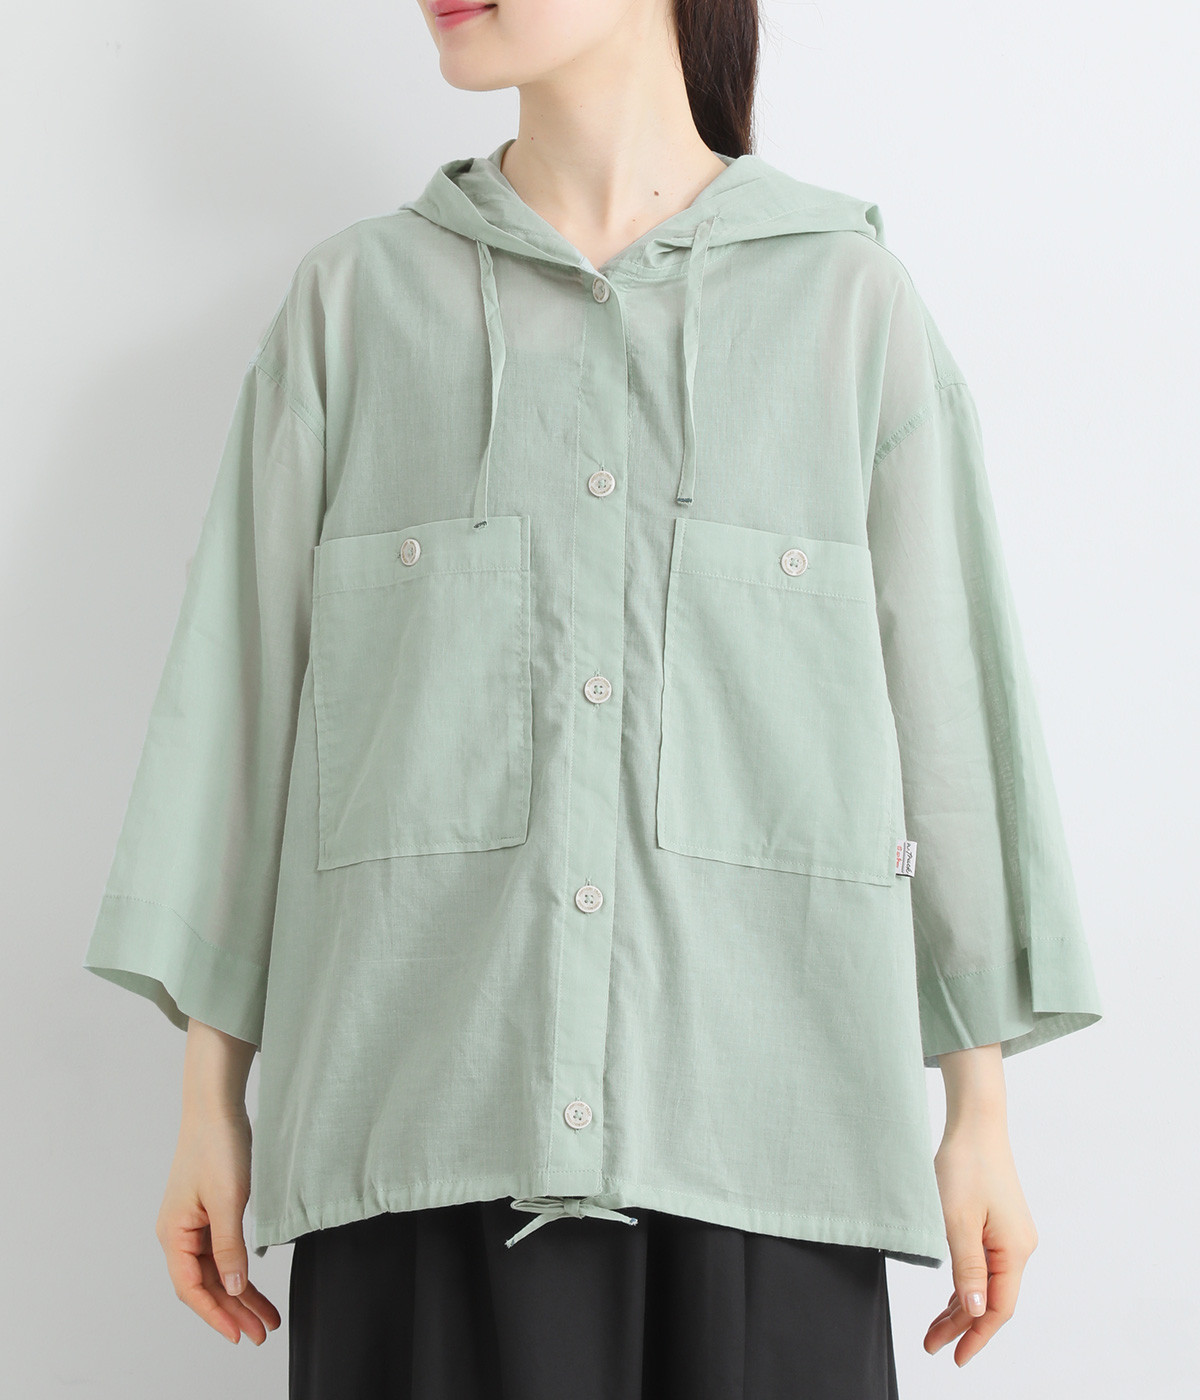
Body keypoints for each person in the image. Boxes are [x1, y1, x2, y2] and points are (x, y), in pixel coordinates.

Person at [83, 1, 1104, 1396]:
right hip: (419, 1148)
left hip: (769, 1155)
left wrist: (978, 1108)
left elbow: (950, 726)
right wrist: (210, 1095)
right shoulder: (353, 308)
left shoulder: (851, 310)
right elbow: (241, 708)